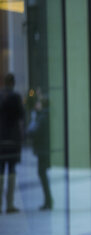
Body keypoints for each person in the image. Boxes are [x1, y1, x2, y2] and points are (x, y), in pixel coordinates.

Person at [0, 73, 24, 213]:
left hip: (2, 139)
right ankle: (9, 204)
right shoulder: (15, 97)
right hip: (12, 140)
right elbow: (21, 115)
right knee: (11, 172)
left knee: (1, 171)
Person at [27, 90, 52, 210]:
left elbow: (34, 132)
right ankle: (48, 200)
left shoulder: (42, 116)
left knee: (42, 174)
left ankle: (48, 200)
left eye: (38, 103)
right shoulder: (44, 115)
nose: (36, 105)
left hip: (43, 150)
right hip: (43, 149)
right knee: (42, 174)